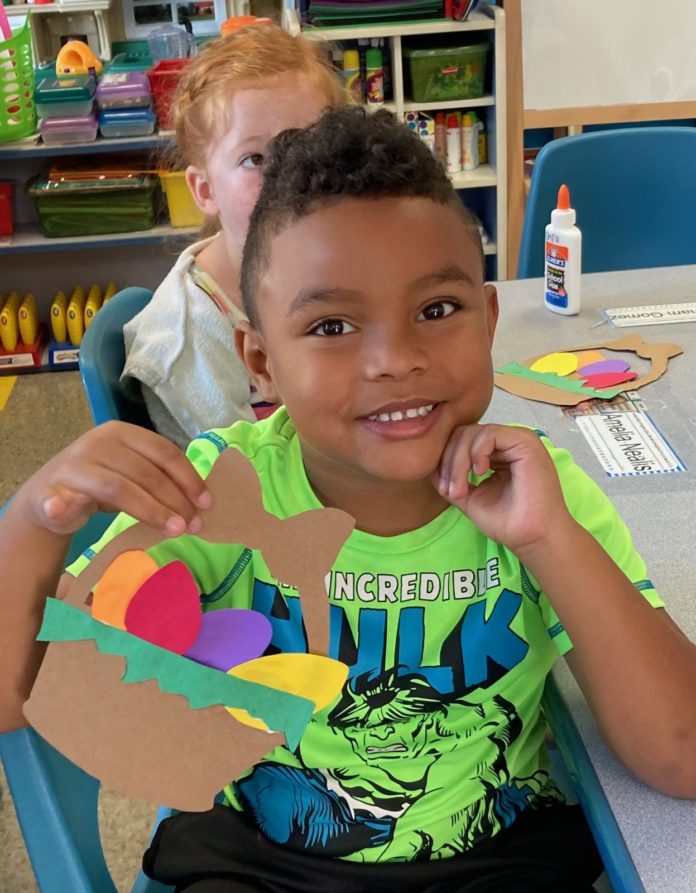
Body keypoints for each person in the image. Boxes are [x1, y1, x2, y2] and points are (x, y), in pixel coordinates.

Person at [3, 107, 696, 892]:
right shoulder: (215, 494)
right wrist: (33, 520)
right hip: (260, 859)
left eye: (437, 311)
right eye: (331, 324)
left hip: (495, 855)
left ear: (489, 319)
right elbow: (12, 694)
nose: (395, 359)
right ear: (259, 362)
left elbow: (680, 753)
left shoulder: (541, 492)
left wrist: (549, 541)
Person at [121, 25, 344, 448]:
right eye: (255, 158)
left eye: (312, 145)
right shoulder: (188, 343)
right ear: (205, 190)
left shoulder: (327, 258)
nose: (292, 175)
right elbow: (246, 483)